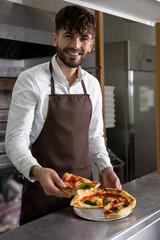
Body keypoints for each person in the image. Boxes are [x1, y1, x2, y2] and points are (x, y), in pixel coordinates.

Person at [5, 5, 121, 225]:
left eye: (83, 38)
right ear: (55, 39)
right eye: (68, 36)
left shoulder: (92, 85)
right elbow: (15, 139)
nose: (76, 45)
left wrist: (106, 168)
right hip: (41, 197)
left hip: (85, 199)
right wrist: (37, 171)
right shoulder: (31, 80)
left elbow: (94, 137)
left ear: (90, 45)